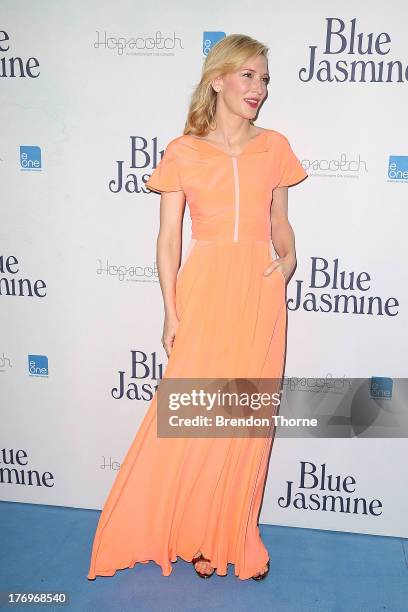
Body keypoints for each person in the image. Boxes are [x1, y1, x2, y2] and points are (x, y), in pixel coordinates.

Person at [87, 33, 308, 583]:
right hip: (205, 289)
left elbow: (281, 220)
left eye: (264, 79)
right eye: (248, 76)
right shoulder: (183, 151)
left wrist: (289, 260)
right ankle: (189, 533)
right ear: (218, 80)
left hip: (259, 293)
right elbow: (167, 241)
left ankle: (230, 536)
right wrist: (170, 310)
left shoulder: (275, 145)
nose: (258, 88)